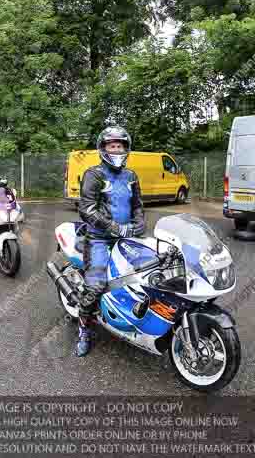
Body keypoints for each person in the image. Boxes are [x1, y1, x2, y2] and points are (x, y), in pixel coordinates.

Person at [75, 126, 145, 357]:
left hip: (126, 237)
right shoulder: (94, 174)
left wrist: (139, 223)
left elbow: (138, 205)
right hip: (98, 238)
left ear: (126, 149)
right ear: (103, 149)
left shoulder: (131, 176)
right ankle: (84, 331)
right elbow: (86, 209)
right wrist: (113, 227)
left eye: (120, 146)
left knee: (144, 274)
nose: (116, 149)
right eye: (112, 146)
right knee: (95, 285)